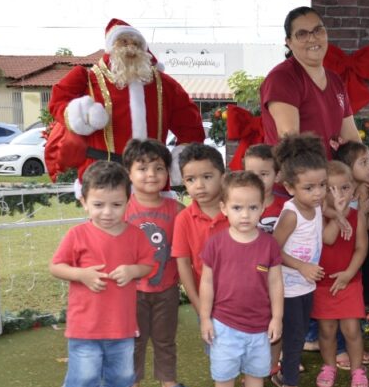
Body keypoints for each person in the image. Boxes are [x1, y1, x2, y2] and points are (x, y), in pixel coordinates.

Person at [50, 161, 154, 387]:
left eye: (116, 204)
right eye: (98, 204)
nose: (107, 212)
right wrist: (81, 275)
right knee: (83, 379)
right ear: (83, 201)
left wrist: (133, 270)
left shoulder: (135, 235)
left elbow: (148, 264)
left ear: (128, 202)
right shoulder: (77, 235)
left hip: (121, 328)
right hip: (85, 328)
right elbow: (56, 266)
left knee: (119, 379)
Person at [46, 18, 204, 181]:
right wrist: (80, 114)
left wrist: (180, 158)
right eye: (124, 42)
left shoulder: (164, 84)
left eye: (136, 43)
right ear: (111, 47)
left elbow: (190, 124)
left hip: (152, 179)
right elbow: (58, 100)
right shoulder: (87, 78)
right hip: (103, 178)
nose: (131, 47)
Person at [198, 172, 284, 387]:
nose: (245, 215)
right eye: (237, 207)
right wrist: (205, 318)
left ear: (262, 207)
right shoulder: (216, 244)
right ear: (223, 208)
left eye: (252, 207)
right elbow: (206, 283)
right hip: (224, 324)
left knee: (256, 372)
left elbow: (276, 283)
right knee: (224, 374)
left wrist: (277, 318)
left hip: (259, 326)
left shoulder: (269, 245)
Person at [120, 139, 198, 387]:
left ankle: (168, 383)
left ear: (167, 172)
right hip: (131, 292)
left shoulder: (177, 211)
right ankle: (131, 386)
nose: (151, 174)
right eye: (142, 168)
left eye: (158, 168)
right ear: (129, 173)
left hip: (166, 289)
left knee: (165, 339)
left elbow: (188, 249)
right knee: (134, 340)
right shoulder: (121, 210)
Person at [272, 133, 328, 387]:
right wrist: (302, 267)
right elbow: (272, 251)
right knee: (293, 342)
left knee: (295, 336)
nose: (318, 193)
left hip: (305, 288)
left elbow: (325, 211)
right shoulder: (291, 214)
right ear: (289, 187)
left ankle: (281, 376)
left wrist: (339, 217)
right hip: (287, 289)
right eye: (309, 187)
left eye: (322, 185)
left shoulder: (316, 206)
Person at [261, 6, 361, 156]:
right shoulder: (282, 78)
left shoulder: (335, 81)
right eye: (302, 34)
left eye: (318, 30)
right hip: (295, 171)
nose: (312, 38)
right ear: (289, 42)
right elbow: (291, 142)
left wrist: (360, 163)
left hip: (330, 171)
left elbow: (352, 140)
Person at [312, 162, 369, 387]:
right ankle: (329, 366)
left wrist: (348, 274)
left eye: (344, 188)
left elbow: (361, 248)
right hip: (322, 285)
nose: (339, 194)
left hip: (348, 282)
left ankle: (357, 370)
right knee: (326, 331)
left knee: (352, 330)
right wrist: (338, 214)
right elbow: (328, 238)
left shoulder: (358, 216)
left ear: (353, 188)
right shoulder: (316, 216)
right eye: (331, 189)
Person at [334, 140, 369, 370]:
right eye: (364, 162)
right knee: (337, 302)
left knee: (351, 303)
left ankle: (351, 346)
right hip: (339, 252)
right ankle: (340, 348)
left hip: (357, 253)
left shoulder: (365, 191)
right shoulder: (341, 193)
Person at [171, 143, 228, 315]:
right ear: (184, 182)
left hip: (242, 298)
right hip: (206, 301)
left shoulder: (238, 211)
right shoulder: (183, 219)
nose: (199, 185)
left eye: (207, 177)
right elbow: (183, 265)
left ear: (223, 177)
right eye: (191, 179)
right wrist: (197, 303)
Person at [243, 144, 286, 234]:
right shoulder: (236, 204)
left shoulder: (286, 207)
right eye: (251, 173)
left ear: (277, 176)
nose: (256, 178)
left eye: (263, 174)